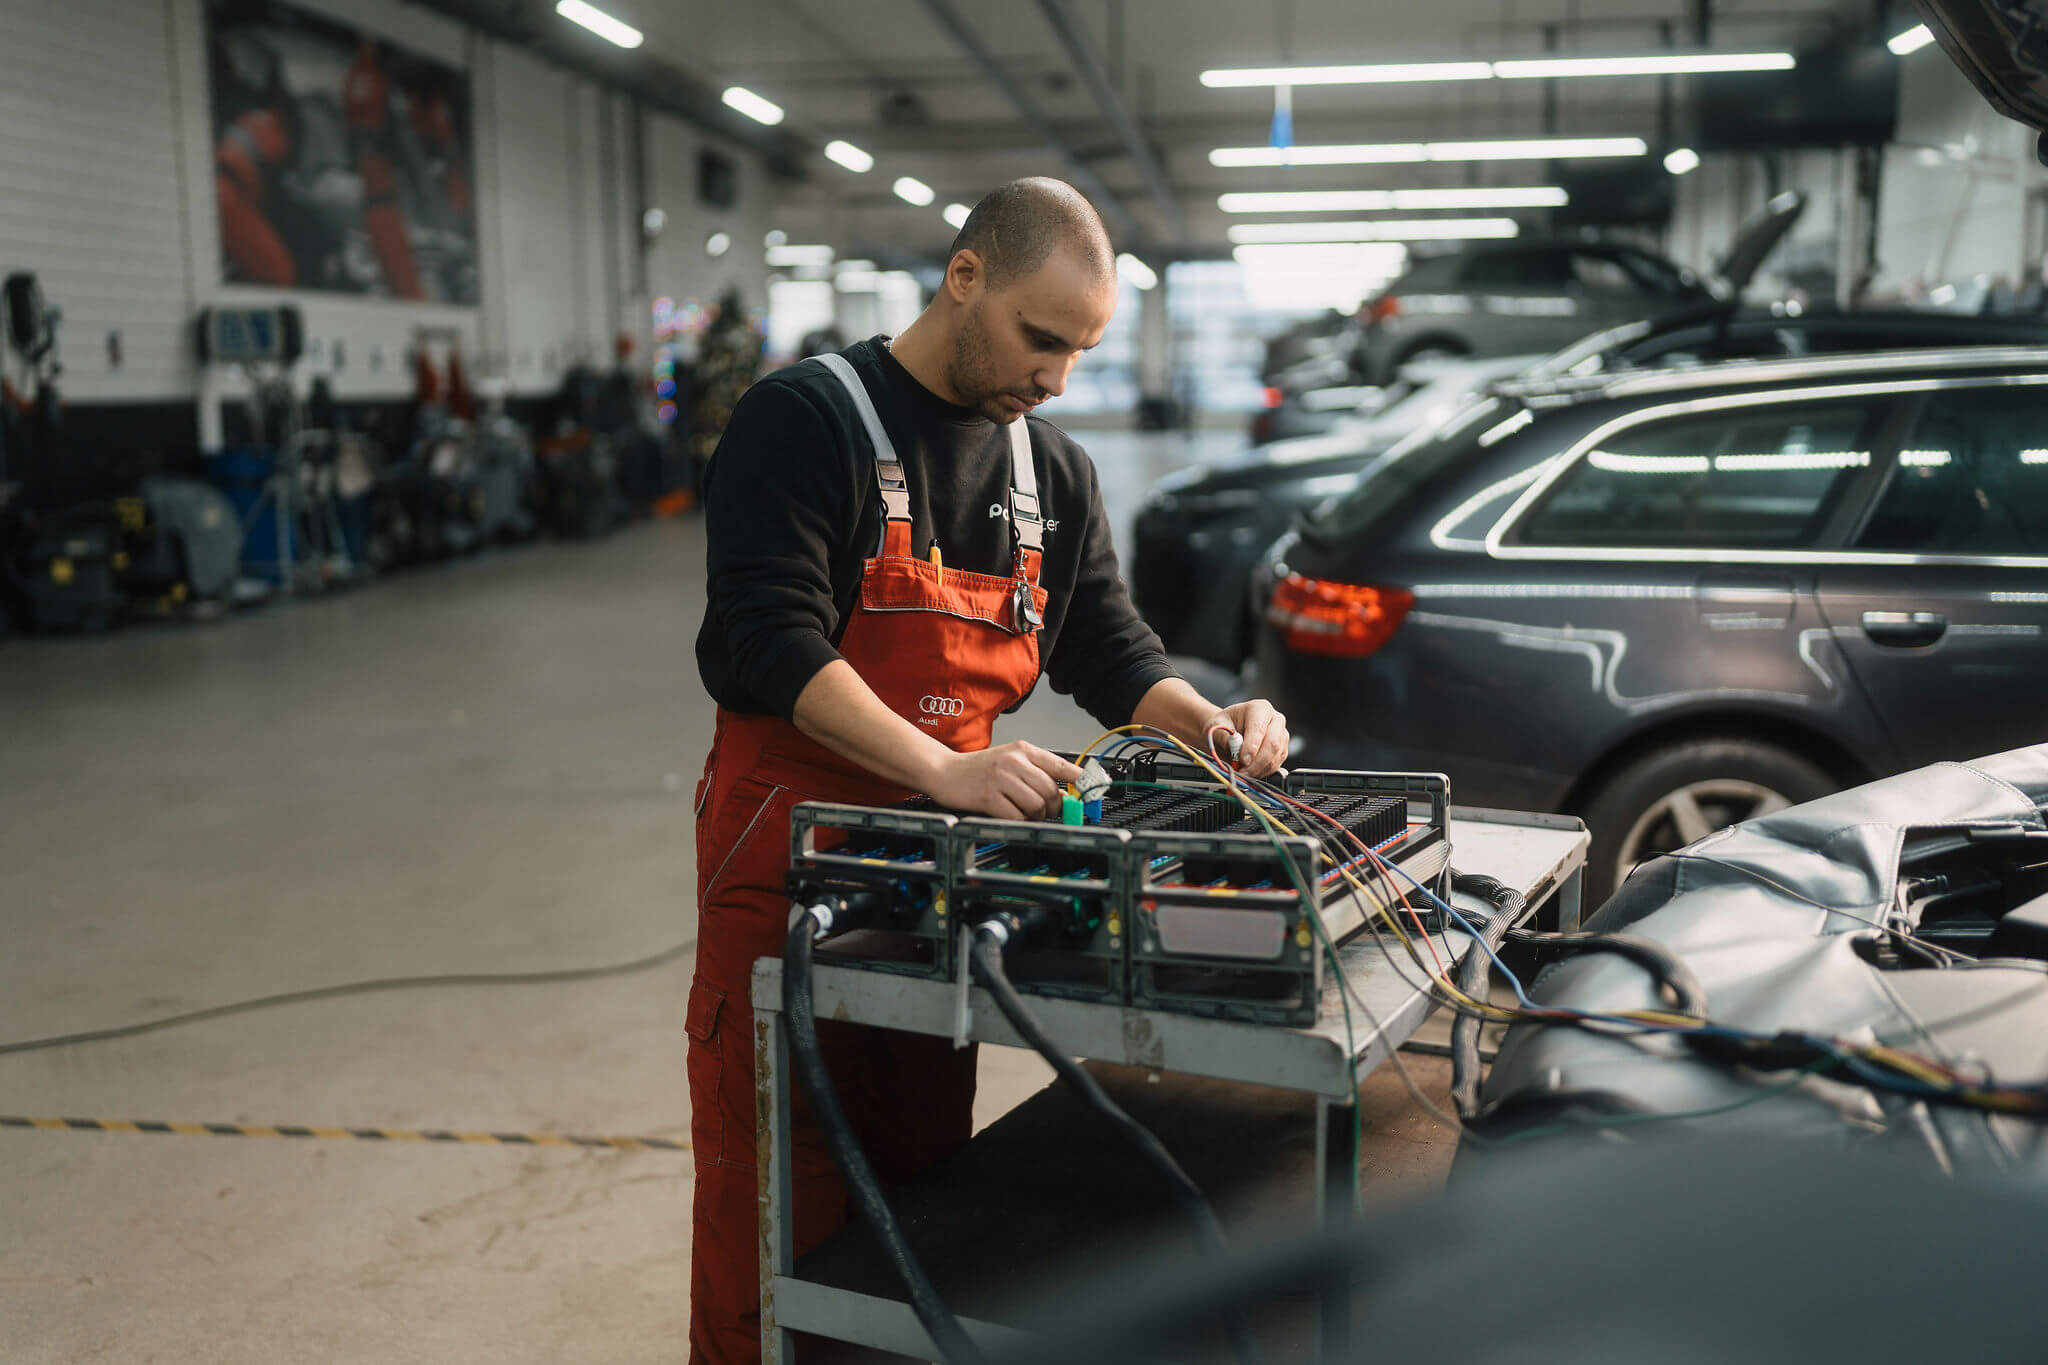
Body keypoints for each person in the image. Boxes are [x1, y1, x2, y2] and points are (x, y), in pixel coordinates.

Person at [688, 177, 1290, 1363]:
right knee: (776, 1203)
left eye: (1081, 349)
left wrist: (1205, 724)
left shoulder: (1050, 475)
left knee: (923, 1186)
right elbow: (764, 636)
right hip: (784, 855)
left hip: (945, 874)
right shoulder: (801, 419)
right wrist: (940, 767)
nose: (1058, 375)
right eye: (1040, 337)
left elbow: (1108, 650)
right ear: (963, 277)